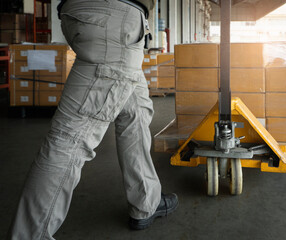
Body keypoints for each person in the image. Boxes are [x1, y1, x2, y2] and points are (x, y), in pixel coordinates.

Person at [7, 0, 178, 238]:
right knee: (69, 138)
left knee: (136, 113)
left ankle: (146, 201)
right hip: (114, 21)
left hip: (91, 17)